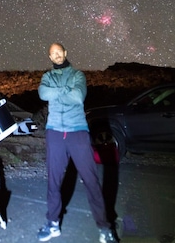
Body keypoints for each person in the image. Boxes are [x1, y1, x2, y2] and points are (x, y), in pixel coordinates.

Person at [37, 42, 118, 242]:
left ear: (65, 52)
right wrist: (66, 90)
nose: (56, 56)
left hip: (77, 131)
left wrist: (59, 91)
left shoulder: (78, 75)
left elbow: (78, 96)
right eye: (52, 54)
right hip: (55, 131)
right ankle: (53, 224)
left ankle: (104, 228)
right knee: (54, 181)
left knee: (91, 180)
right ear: (50, 57)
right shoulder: (47, 77)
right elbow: (43, 94)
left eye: (59, 52)